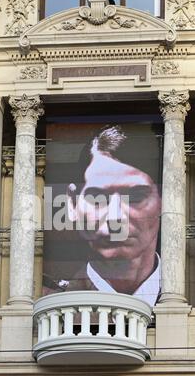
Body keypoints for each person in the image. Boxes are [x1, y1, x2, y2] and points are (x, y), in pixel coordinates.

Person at [43, 126, 161, 307]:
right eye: (97, 198)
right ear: (73, 203)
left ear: (165, 202)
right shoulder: (53, 301)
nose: (115, 219)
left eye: (136, 197)